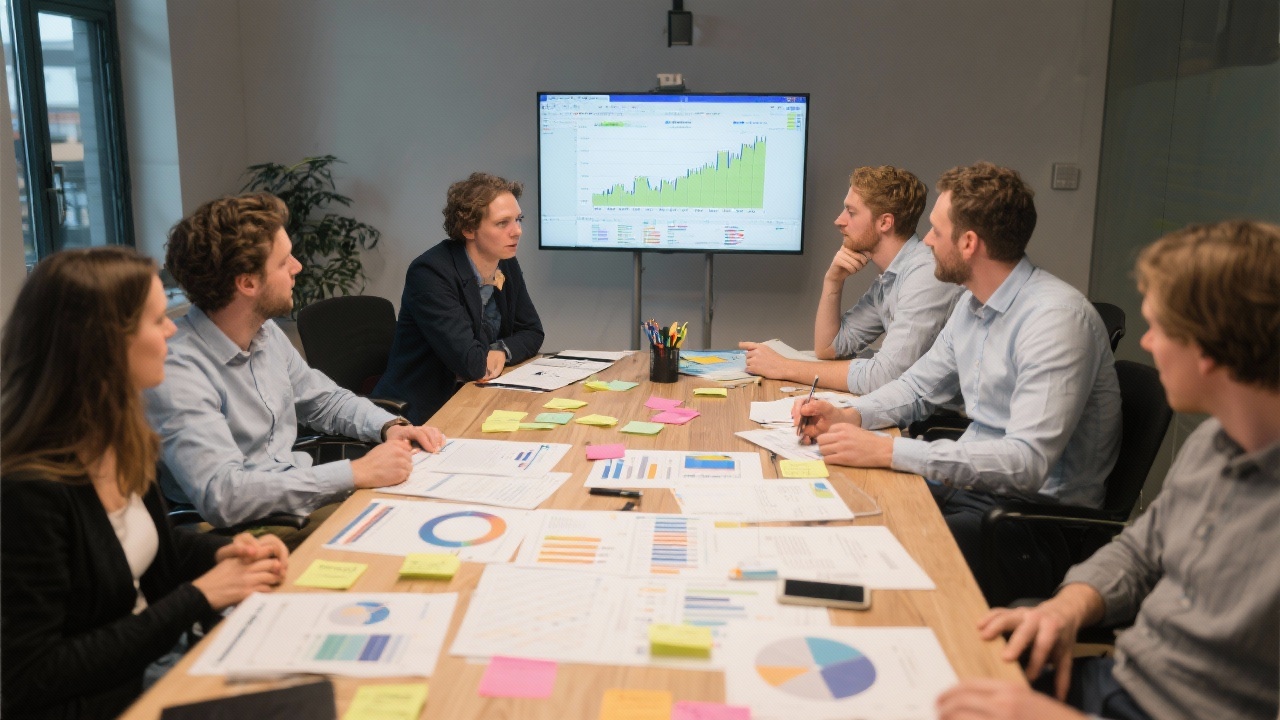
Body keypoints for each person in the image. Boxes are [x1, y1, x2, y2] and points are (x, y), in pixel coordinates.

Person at [937, 220, 1280, 720]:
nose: (1146, 344)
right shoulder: (1213, 442)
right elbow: (1141, 554)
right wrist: (1066, 607)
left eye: (1160, 327)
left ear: (1208, 349)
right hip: (1122, 681)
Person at [794, 162, 1121, 599]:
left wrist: (892, 450)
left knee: (875, 561)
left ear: (968, 243)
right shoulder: (973, 304)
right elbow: (916, 387)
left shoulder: (1055, 320)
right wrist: (848, 416)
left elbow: (1025, 464)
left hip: (1034, 524)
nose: (926, 241)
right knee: (838, 513)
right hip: (974, 492)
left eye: (935, 231)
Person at [1, 247, 289, 720]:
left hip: (159, 667)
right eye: (157, 321)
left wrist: (227, 553)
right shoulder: (28, 492)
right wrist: (200, 596)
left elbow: (153, 549)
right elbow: (33, 677)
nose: (173, 330)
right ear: (103, 344)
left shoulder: (121, 438)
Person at [145, 193, 445, 547]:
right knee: (404, 536)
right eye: (284, 260)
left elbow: (324, 401)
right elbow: (224, 496)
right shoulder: (178, 371)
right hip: (242, 535)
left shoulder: (264, 332)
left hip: (300, 504)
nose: (298, 267)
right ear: (248, 283)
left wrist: (387, 426)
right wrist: (355, 472)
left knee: (423, 512)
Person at [740, 165, 961, 392]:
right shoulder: (890, 279)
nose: (839, 220)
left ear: (885, 222)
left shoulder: (926, 275)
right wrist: (833, 281)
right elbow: (829, 348)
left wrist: (783, 367)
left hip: (941, 422)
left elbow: (884, 377)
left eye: (851, 212)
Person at [374, 172, 545, 424]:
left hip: (473, 398)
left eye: (518, 219)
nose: (517, 231)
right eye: (502, 223)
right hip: (422, 413)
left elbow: (532, 332)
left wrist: (500, 351)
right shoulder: (431, 273)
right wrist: (489, 356)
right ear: (468, 228)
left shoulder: (505, 263)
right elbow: (472, 364)